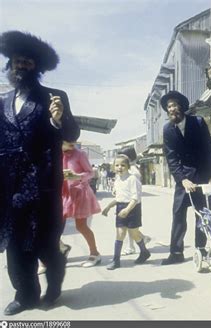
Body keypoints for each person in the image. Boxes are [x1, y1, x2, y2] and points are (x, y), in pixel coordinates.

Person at [0, 31, 80, 315]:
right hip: (10, 188)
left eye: (28, 63)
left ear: (37, 68)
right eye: (17, 61)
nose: (21, 66)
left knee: (46, 243)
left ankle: (54, 284)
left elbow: (72, 133)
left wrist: (58, 120)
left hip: (44, 186)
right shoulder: (2, 101)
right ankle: (25, 295)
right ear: (9, 65)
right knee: (17, 246)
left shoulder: (54, 98)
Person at [161, 90, 211, 265]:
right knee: (178, 214)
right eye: (169, 106)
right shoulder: (168, 129)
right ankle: (176, 253)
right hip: (183, 178)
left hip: (201, 175)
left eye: (174, 105)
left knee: (202, 214)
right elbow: (171, 157)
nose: (172, 109)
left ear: (182, 107)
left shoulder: (198, 122)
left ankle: (201, 249)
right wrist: (182, 179)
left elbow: (209, 150)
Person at [101, 154, 150, 270]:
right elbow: (119, 198)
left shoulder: (132, 179)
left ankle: (144, 252)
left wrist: (127, 209)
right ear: (113, 167)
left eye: (123, 165)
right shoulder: (117, 180)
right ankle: (116, 260)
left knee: (134, 234)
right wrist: (108, 207)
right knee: (120, 234)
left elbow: (135, 198)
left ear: (128, 166)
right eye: (117, 165)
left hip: (133, 208)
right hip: (120, 208)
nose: (119, 167)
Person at [62, 139, 102, 267]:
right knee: (54, 227)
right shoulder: (54, 153)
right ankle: (61, 249)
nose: (71, 144)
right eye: (67, 141)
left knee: (81, 226)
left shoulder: (80, 154)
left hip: (79, 193)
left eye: (72, 141)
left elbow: (90, 173)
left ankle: (95, 254)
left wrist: (78, 176)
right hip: (62, 194)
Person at [116, 145, 151, 256]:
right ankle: (141, 240)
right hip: (125, 201)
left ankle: (131, 246)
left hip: (132, 203)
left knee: (130, 227)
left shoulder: (133, 171)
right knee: (129, 227)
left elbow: (135, 191)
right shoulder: (127, 169)